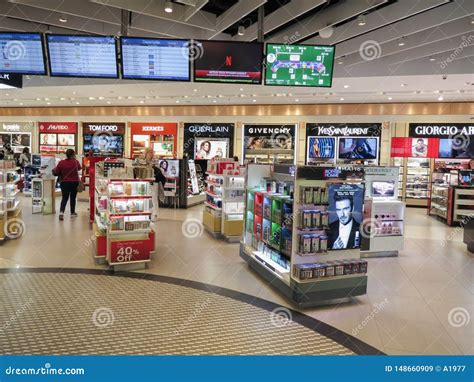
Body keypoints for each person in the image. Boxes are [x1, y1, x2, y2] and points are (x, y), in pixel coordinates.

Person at [52, 149, 81, 220]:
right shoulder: (76, 162)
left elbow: (56, 171)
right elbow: (79, 168)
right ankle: (72, 213)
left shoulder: (61, 162)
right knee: (73, 198)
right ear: (73, 154)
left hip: (64, 183)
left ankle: (61, 213)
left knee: (64, 198)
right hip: (74, 183)